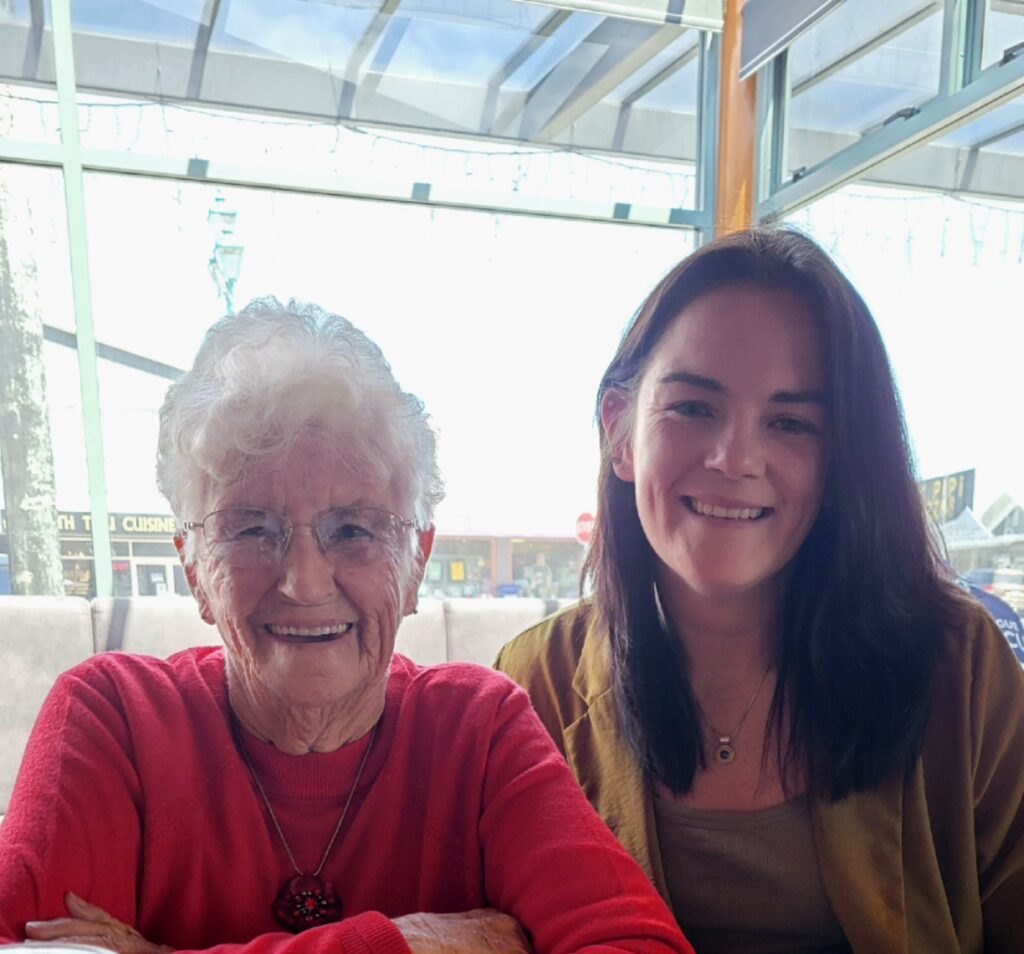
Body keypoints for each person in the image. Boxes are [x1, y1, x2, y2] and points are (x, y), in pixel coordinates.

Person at [0, 299, 692, 954]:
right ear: (193, 566)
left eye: (354, 529)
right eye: (251, 530)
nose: (304, 580)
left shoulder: (477, 731)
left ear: (416, 560)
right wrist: (401, 944)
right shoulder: (115, 719)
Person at [496, 229, 1024, 953]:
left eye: (790, 423)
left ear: (841, 463)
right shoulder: (533, 687)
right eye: (692, 407)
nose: (735, 459)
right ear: (620, 432)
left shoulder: (959, 669)